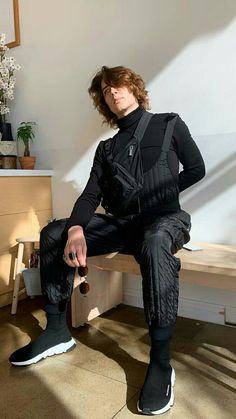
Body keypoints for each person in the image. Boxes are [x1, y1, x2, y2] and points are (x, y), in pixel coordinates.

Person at [9, 65, 205, 415]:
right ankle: (57, 331)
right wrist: (75, 228)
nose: (113, 92)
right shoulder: (107, 148)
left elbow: (196, 169)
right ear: (105, 103)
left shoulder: (169, 124)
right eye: (105, 90)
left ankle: (160, 361)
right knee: (54, 231)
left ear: (133, 88)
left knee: (157, 238)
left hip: (164, 221)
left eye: (118, 85)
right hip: (121, 224)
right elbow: (89, 196)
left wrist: (160, 196)